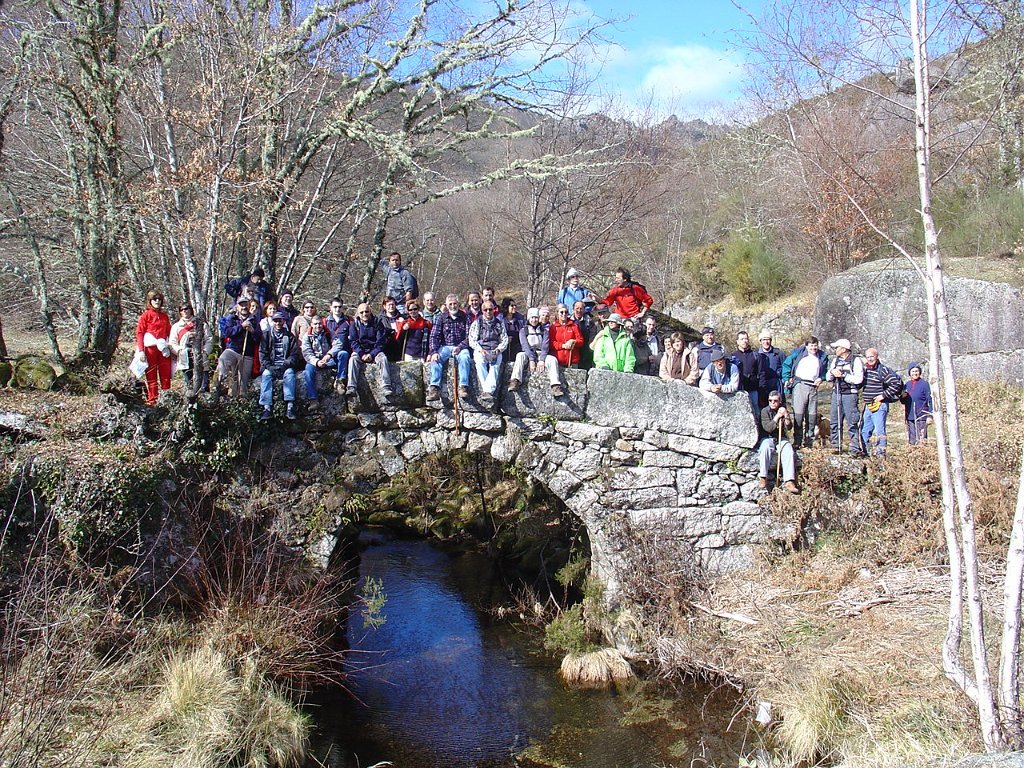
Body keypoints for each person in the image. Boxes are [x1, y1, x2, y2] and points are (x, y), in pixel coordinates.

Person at [782, 336, 828, 448]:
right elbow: (786, 365)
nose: (814, 348)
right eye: (811, 345)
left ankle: (809, 441)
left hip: (813, 387)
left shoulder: (822, 356)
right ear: (806, 346)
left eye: (815, 345)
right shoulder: (798, 354)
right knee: (798, 414)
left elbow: (825, 371)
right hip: (800, 385)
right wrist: (787, 378)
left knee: (811, 415)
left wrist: (821, 378)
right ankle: (797, 441)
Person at [427, 294, 473, 401]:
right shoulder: (441, 317)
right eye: (450, 304)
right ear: (447, 305)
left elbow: (470, 336)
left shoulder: (466, 317)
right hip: (445, 346)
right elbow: (434, 335)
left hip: (461, 346)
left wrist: (460, 347)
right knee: (436, 359)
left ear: (458, 304)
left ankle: (463, 386)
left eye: (455, 303)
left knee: (465, 358)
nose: (453, 306)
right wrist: (433, 352)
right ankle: (434, 388)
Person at [859, 347, 904, 457]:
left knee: (880, 432)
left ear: (877, 356)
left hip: (880, 405)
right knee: (864, 432)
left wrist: (883, 395)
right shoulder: (864, 370)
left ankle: (880, 456)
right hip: (868, 405)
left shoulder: (882, 370)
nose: (870, 359)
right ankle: (867, 455)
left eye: (872, 356)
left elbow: (896, 384)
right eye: (868, 357)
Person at [258, 310, 300, 420]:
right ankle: (266, 408)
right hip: (271, 365)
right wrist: (269, 366)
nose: (278, 323)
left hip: (285, 365)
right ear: (273, 321)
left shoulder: (289, 336)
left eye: (280, 321)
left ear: (283, 321)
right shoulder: (266, 335)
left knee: (290, 374)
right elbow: (262, 354)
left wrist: (286, 364)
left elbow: (294, 354)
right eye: (275, 321)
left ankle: (290, 406)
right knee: (266, 375)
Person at [216, 298, 261, 400]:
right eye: (241, 305)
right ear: (237, 307)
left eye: (246, 305)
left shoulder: (254, 321)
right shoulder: (232, 319)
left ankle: (240, 403)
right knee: (224, 358)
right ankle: (223, 384)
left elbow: (259, 339)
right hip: (233, 350)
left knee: (243, 383)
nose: (244, 307)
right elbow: (227, 332)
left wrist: (252, 331)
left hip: (247, 354)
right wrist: (241, 326)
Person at [825, 338, 864, 453]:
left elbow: (858, 379)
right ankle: (836, 446)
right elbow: (827, 377)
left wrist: (843, 376)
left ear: (844, 349)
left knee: (852, 422)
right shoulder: (835, 361)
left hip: (850, 395)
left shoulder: (855, 361)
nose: (835, 350)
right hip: (836, 393)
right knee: (835, 421)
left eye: (837, 348)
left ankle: (855, 448)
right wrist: (832, 372)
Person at [347, 303, 394, 398]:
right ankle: (351, 387)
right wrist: (361, 354)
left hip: (375, 350)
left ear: (370, 311)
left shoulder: (377, 323)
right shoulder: (354, 325)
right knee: (352, 359)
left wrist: (372, 354)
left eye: (366, 311)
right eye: (362, 312)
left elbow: (381, 341)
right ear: (357, 313)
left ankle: (386, 386)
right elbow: (353, 342)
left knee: (383, 358)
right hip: (360, 351)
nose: (364, 314)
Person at [135, 289, 173, 405]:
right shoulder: (145, 316)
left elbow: (169, 332)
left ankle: (166, 398)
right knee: (151, 374)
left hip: (163, 349)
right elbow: (139, 333)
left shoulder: (164, 316)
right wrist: (141, 351)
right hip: (150, 349)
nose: (157, 301)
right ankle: (153, 400)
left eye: (159, 299)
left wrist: (170, 346)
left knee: (165, 373)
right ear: (150, 301)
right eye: (154, 299)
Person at [758, 391, 799, 494]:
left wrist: (785, 415)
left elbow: (789, 427)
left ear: (779, 401)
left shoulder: (784, 409)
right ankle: (763, 477)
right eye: (770, 401)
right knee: (765, 448)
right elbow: (768, 428)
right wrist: (777, 417)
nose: (772, 403)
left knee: (788, 450)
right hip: (768, 438)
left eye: (775, 401)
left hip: (781, 438)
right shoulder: (764, 411)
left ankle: (789, 481)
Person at [468, 299, 509, 405]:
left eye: (490, 309)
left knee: (495, 365)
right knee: (479, 362)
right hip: (481, 349)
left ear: (494, 310)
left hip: (495, 349)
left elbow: (504, 339)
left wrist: (498, 350)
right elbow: (472, 340)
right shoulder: (477, 323)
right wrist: (480, 349)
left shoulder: (499, 323)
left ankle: (487, 391)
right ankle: (488, 391)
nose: (488, 312)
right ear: (482, 311)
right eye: (485, 310)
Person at [510, 307, 560, 392]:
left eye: (536, 317)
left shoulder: (544, 331)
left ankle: (555, 385)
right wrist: (531, 359)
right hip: (528, 353)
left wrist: (542, 360)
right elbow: (525, 346)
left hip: (540, 353)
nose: (534, 320)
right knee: (519, 356)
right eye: (532, 317)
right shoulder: (523, 331)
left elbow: (545, 346)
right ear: (529, 318)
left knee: (553, 359)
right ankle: (515, 380)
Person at [169, 304, 209, 393]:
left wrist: (205, 351)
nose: (185, 311)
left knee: (204, 386)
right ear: (180, 312)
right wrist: (180, 351)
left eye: (187, 309)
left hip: (200, 355)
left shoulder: (200, 324)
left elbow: (209, 339)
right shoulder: (176, 327)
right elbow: (172, 343)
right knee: (189, 385)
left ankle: (205, 402)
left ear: (191, 310)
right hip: (185, 357)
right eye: (182, 309)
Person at [302, 316, 342, 402]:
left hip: (328, 360)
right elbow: (307, 353)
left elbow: (338, 344)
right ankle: (313, 399)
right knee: (308, 371)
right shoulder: (307, 336)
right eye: (315, 324)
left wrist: (329, 355)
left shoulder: (329, 332)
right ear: (311, 325)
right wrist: (317, 362)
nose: (318, 326)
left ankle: (340, 381)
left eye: (320, 323)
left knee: (343, 355)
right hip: (315, 361)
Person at [547, 304, 583, 396]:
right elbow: (551, 344)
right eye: (561, 312)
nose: (564, 314)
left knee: (574, 390)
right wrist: (563, 345)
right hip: (558, 361)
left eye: (566, 312)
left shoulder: (573, 325)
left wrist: (573, 342)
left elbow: (581, 341)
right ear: (557, 313)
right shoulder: (553, 327)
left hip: (572, 361)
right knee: (560, 386)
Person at [731, 330, 762, 420]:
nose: (745, 341)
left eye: (746, 339)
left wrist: (761, 389)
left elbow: (761, 373)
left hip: (753, 388)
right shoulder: (733, 356)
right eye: (742, 339)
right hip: (738, 388)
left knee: (756, 411)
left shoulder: (755, 355)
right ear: (737, 341)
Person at [901, 362, 933, 445]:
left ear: (919, 372)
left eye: (916, 371)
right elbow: (903, 401)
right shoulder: (907, 385)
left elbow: (929, 399)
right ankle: (912, 453)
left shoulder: (924, 384)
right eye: (913, 371)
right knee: (912, 439)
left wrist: (930, 415)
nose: (915, 373)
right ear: (909, 373)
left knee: (921, 438)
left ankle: (923, 454)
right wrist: (903, 396)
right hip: (910, 415)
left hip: (921, 415)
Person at [324, 298, 352, 390]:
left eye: (340, 307)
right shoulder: (325, 322)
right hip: (328, 356)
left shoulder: (349, 321)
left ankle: (340, 380)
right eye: (335, 307)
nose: (337, 309)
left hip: (344, 354)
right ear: (330, 308)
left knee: (343, 354)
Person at [757, 328, 786, 408]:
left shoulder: (779, 353)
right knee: (764, 405)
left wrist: (784, 380)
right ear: (760, 341)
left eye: (768, 339)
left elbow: (786, 367)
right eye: (763, 340)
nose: (766, 342)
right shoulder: (756, 355)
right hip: (763, 384)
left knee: (779, 404)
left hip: (776, 383)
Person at [378, 296, 405, 362]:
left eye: (393, 304)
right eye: (389, 305)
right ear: (384, 306)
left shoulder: (402, 317)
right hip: (387, 347)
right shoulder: (380, 319)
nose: (391, 307)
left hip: (400, 347)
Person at [571, 300, 597, 369]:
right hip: (572, 351)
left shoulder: (589, 321)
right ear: (573, 309)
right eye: (577, 308)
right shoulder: (569, 321)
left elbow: (592, 335)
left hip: (585, 351)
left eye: (581, 308)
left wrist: (589, 349)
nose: (579, 310)